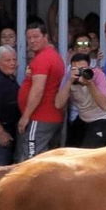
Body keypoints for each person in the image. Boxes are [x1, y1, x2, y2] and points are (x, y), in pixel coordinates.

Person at [17, 23, 67, 159]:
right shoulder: (54, 56)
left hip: (40, 117)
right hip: (51, 117)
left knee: (31, 161)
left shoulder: (43, 59)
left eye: (36, 36)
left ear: (45, 37)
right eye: (29, 38)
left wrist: (26, 115)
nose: (32, 41)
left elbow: (38, 88)